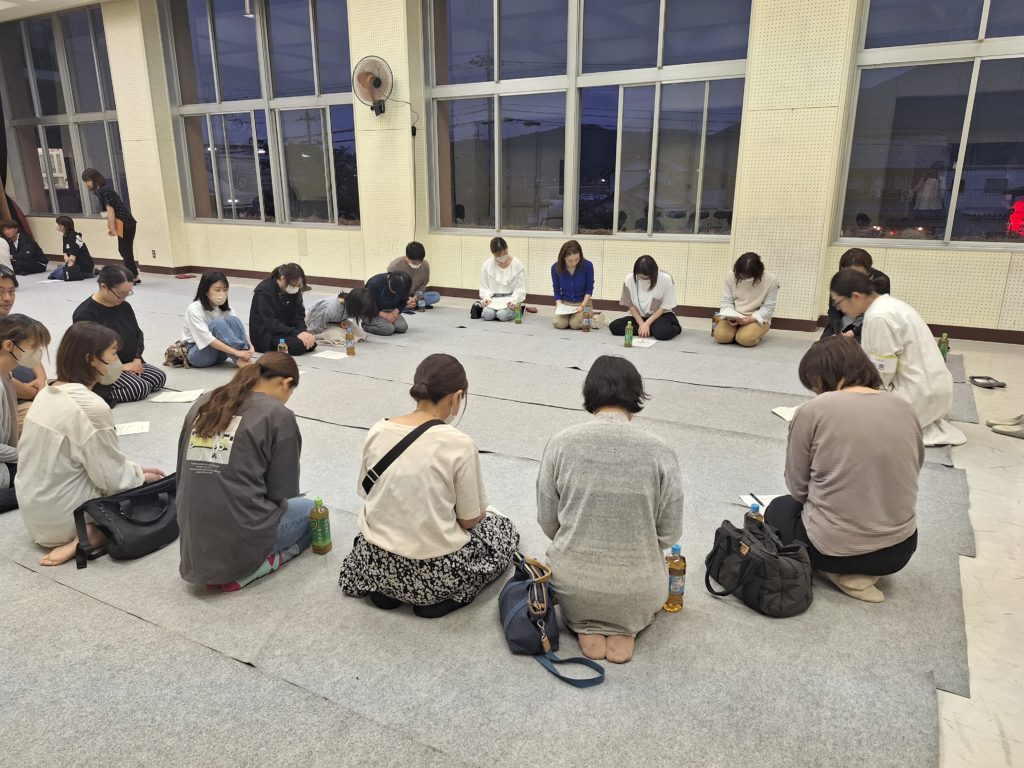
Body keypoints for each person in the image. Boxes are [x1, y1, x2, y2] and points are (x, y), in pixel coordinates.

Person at [340, 353, 520, 618]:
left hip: (376, 561)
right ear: (457, 397)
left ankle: (386, 592)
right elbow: (469, 520)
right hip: (433, 572)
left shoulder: (378, 429)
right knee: (504, 531)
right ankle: (438, 600)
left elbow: (365, 493)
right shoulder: (459, 444)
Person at [537, 355, 683, 663]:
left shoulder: (561, 443)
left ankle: (585, 622)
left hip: (571, 586)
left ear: (588, 393)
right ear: (636, 395)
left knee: (577, 588)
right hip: (640, 589)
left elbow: (548, 520)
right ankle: (624, 624)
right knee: (638, 594)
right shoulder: (661, 450)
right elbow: (670, 532)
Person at [765, 336, 923, 603]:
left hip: (832, 550)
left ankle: (836, 571)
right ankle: (859, 570)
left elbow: (797, 487)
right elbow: (915, 467)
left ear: (820, 377)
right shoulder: (904, 407)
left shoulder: (813, 410)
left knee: (778, 509)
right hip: (900, 551)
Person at [18, 321, 165, 566]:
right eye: (113, 353)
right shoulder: (91, 407)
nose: (117, 361)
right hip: (68, 519)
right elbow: (113, 479)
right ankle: (92, 534)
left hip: (35, 515)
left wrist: (135, 470)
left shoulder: (46, 392)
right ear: (92, 359)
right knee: (154, 497)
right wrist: (140, 477)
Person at [177, 351, 313, 591]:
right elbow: (281, 491)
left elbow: (181, 473)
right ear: (286, 383)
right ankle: (258, 567)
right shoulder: (278, 414)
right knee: (312, 511)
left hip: (191, 535)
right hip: (242, 534)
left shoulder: (205, 400)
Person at [830, 269, 965, 446]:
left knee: (845, 416)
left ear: (855, 296)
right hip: (932, 388)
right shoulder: (888, 305)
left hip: (918, 395)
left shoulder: (879, 316)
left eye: (838, 303)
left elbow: (882, 374)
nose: (839, 309)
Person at [72, 265, 166, 404]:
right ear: (104, 287)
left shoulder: (124, 306)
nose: (124, 298)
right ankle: (97, 393)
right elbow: (89, 354)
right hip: (103, 368)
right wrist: (121, 367)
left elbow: (137, 334)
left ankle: (129, 377)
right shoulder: (85, 314)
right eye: (121, 294)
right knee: (139, 388)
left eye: (128, 293)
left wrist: (137, 359)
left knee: (158, 378)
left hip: (129, 361)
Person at [0, 315, 51, 512]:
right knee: (48, 475)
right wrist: (26, 456)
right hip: (4, 465)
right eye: (33, 347)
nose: (37, 353)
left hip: (7, 457)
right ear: (9, 346)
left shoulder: (6, 373)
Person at [0, 267, 48, 434]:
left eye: (11, 291)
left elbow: (31, 351)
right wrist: (34, 394)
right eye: (0, 292)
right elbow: (5, 380)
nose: (7, 298)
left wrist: (41, 379)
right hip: (13, 399)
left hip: (32, 390)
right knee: (50, 422)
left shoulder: (9, 321)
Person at [181, 271, 253, 368]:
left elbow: (240, 331)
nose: (222, 293)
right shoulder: (194, 308)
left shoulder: (226, 308)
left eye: (225, 289)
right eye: (217, 290)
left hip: (221, 354)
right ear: (206, 291)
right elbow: (207, 339)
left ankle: (244, 357)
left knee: (233, 320)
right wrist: (236, 353)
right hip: (199, 354)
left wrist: (250, 346)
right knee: (217, 323)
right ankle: (240, 360)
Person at [81, 168, 140, 283]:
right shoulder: (102, 191)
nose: (87, 184)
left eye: (88, 181)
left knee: (125, 250)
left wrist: (112, 228)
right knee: (124, 250)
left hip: (125, 223)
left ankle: (133, 277)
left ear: (95, 179)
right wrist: (111, 226)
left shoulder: (105, 191)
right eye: (85, 181)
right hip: (124, 223)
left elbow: (110, 210)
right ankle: (134, 276)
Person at [821, 248, 890, 341]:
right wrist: (838, 331)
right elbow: (833, 309)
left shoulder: (881, 279)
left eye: (858, 274)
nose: (852, 277)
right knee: (823, 345)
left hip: (866, 322)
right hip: (843, 320)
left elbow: (878, 313)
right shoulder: (839, 279)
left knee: (853, 346)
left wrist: (855, 332)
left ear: (867, 270)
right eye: (848, 272)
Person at [713, 252, 780, 347]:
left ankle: (744, 333)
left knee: (745, 339)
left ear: (759, 271)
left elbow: (768, 308)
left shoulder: (772, 280)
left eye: (749, 276)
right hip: (734, 315)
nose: (745, 278)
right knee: (720, 337)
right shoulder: (731, 275)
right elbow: (726, 301)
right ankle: (737, 333)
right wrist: (729, 316)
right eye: (742, 275)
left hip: (756, 318)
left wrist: (751, 319)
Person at [249, 263, 317, 355]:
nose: (296, 287)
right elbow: (271, 323)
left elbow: (299, 315)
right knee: (298, 346)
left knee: (311, 342)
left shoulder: (294, 290)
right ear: (282, 278)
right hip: (267, 335)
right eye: (294, 284)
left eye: (299, 285)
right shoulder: (264, 292)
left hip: (285, 330)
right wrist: (296, 333)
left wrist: (303, 332)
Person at [609, 255, 681, 340]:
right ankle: (650, 329)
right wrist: (641, 324)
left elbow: (664, 307)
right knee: (614, 327)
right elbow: (630, 304)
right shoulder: (629, 278)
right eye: (640, 277)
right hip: (639, 316)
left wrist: (647, 324)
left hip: (660, 315)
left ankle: (672, 326)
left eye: (646, 278)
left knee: (662, 333)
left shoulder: (666, 279)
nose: (643, 279)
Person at [476, 237, 526, 322]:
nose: (502, 257)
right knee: (487, 315)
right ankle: (497, 313)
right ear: (493, 253)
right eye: (498, 255)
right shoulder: (487, 265)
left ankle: (518, 309)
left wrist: (514, 301)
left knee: (502, 315)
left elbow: (520, 288)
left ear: (507, 249)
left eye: (504, 253)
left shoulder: (517, 264)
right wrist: (486, 298)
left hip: (510, 298)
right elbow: (484, 286)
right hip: (494, 299)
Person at [305, 287, 375, 345]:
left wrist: (340, 324)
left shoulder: (349, 303)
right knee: (337, 334)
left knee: (358, 331)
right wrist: (336, 325)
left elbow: (342, 317)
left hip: (337, 321)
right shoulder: (329, 308)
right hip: (317, 323)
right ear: (355, 305)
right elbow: (317, 326)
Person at [550, 240, 594, 331]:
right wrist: (559, 305)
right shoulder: (555, 268)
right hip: (565, 303)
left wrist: (582, 306)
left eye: (577, 259)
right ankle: (572, 318)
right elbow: (556, 290)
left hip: (583, 302)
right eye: (570, 261)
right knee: (560, 324)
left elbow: (589, 290)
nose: (574, 263)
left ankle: (589, 316)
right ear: (563, 258)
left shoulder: (588, 266)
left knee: (575, 324)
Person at [388, 241, 440, 312]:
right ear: (406, 256)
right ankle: (409, 305)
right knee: (390, 299)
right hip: (400, 296)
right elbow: (392, 287)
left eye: (420, 262)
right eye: (414, 263)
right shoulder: (395, 266)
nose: (417, 265)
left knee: (436, 296)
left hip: (415, 296)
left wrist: (415, 297)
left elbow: (423, 284)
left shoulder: (425, 265)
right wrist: (405, 298)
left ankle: (409, 305)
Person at [363, 271, 412, 335]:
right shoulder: (374, 284)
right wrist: (384, 315)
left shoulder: (403, 285)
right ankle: (365, 326)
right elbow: (367, 306)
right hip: (371, 312)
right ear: (389, 281)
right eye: (394, 292)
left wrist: (395, 312)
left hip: (389, 310)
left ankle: (384, 323)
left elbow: (403, 301)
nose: (396, 294)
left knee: (402, 327)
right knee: (388, 329)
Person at [50, 216, 94, 281]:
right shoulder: (65, 236)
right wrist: (66, 261)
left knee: (55, 274)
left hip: (84, 266)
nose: (55, 225)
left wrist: (68, 271)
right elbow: (65, 251)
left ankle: (88, 274)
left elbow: (72, 258)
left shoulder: (73, 236)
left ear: (63, 226)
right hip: (76, 264)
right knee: (55, 272)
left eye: (57, 223)